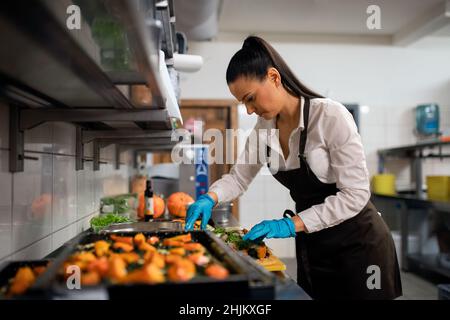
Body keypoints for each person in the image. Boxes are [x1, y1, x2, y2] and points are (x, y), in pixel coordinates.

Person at [185, 36, 402, 300]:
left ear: (274, 77)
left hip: (359, 245)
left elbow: (356, 195)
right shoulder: (263, 131)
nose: (250, 110)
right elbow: (238, 178)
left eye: (251, 98)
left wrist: (290, 225)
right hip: (316, 245)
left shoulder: (330, 117)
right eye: (244, 103)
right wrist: (211, 197)